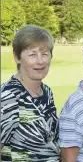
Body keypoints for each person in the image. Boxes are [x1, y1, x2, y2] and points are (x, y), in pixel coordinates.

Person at [0, 25, 60, 161]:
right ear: (17, 57)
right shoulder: (8, 97)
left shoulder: (46, 92)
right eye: (32, 54)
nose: (40, 61)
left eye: (44, 54)